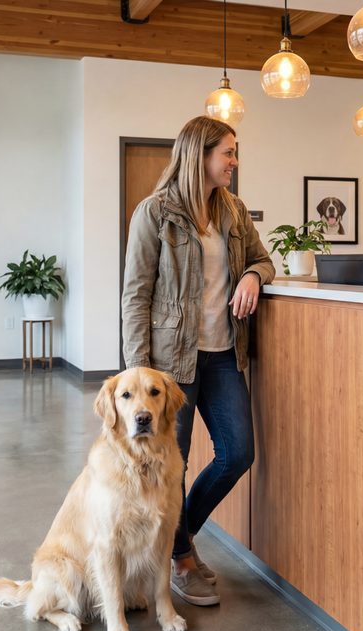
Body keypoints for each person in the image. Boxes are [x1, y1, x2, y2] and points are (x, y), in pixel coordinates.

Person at [121, 116, 275, 606]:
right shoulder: (154, 213)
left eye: (235, 152)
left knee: (238, 453)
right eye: (228, 152)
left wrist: (252, 274)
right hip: (170, 367)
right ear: (200, 155)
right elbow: (136, 295)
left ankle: (175, 541)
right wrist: (139, 375)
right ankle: (183, 561)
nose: (234, 161)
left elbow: (265, 259)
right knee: (172, 466)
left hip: (225, 354)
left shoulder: (233, 210)